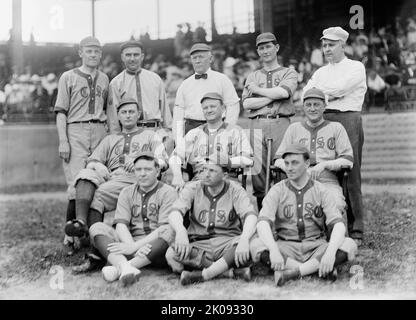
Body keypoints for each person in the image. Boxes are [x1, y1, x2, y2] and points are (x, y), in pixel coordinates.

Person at [250, 144, 357, 286]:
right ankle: (316, 269)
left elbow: (337, 224)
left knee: (349, 244)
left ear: (307, 164)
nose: (289, 168)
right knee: (256, 244)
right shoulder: (277, 190)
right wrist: (274, 250)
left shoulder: (321, 190)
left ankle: (292, 273)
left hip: (316, 247)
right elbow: (262, 223)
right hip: (285, 246)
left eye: (295, 163)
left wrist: (330, 253)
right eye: (287, 163)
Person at [64, 98, 168, 240]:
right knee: (85, 173)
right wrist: (97, 165)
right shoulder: (110, 139)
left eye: (131, 112)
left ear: (138, 114)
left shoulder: (150, 135)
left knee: (96, 195)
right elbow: (92, 161)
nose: (128, 115)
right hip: (112, 177)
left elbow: (163, 161)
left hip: (136, 176)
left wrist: (140, 162)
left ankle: (94, 243)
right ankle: (81, 222)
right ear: (118, 116)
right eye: (124, 112)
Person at [303, 27, 367, 245]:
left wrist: (322, 93)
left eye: (331, 45)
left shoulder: (356, 67)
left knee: (350, 170)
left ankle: (355, 227)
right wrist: (325, 94)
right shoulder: (321, 71)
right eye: (324, 45)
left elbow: (341, 89)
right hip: (325, 119)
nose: (326, 49)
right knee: (327, 169)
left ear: (343, 45)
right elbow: (306, 93)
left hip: (348, 118)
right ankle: (329, 224)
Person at [54, 36, 113, 248]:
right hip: (75, 128)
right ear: (80, 53)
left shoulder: (105, 79)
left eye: (97, 51)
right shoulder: (67, 77)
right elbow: (61, 112)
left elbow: (108, 110)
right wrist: (63, 140)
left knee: (97, 181)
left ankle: (91, 231)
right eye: (89, 51)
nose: (93, 55)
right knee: (75, 183)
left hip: (99, 129)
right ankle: (71, 233)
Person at [165, 154, 258, 285]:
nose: (206, 174)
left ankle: (205, 274)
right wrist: (181, 231)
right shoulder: (193, 187)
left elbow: (251, 216)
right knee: (171, 254)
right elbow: (175, 212)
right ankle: (228, 272)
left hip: (228, 243)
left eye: (212, 170)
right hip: (199, 244)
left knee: (252, 243)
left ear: (225, 175)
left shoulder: (235, 189)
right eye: (203, 169)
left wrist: (244, 240)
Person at [87, 152, 177, 286]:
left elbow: (162, 229)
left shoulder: (168, 192)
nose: (142, 173)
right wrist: (130, 246)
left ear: (157, 171)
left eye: (148, 169)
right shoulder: (127, 192)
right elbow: (121, 225)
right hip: (131, 245)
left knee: (169, 230)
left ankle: (121, 268)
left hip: (155, 248)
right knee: (96, 227)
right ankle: (125, 267)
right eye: (138, 169)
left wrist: (134, 247)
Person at [273, 87, 353, 216]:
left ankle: (332, 235)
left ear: (324, 106)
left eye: (317, 105)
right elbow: (278, 160)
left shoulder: (336, 128)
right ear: (303, 107)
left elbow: (348, 161)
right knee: (281, 204)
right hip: (296, 181)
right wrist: (297, 170)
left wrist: (324, 165)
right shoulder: (294, 129)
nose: (312, 108)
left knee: (336, 204)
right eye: (308, 105)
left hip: (327, 180)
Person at [242, 32, 298, 211]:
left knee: (283, 166)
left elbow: (284, 93)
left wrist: (258, 90)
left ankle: (283, 215)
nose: (265, 51)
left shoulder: (288, 72)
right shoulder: (253, 75)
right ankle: (262, 216)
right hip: (257, 124)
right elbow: (247, 103)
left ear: (277, 48)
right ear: (258, 51)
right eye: (261, 48)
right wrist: (271, 98)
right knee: (258, 172)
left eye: (268, 46)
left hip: (280, 122)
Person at [169, 92, 253, 189]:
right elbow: (175, 156)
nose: (209, 110)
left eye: (213, 106)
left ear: (223, 108)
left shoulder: (235, 131)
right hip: (199, 179)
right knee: (184, 196)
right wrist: (177, 176)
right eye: (205, 108)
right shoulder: (195, 133)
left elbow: (248, 160)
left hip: (227, 179)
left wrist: (227, 161)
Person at [107, 40, 173, 153]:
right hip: (130, 132)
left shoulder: (155, 79)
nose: (132, 58)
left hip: (155, 131)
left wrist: (169, 133)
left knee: (157, 166)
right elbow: (113, 117)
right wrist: (117, 140)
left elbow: (165, 110)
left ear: (142, 56)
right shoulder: (116, 83)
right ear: (122, 57)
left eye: (136, 54)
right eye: (128, 55)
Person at [172, 43, 240, 142]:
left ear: (211, 59)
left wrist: (227, 131)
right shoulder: (185, 84)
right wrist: (178, 138)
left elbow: (233, 105)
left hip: (217, 128)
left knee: (217, 157)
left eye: (201, 57)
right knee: (192, 157)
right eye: (194, 58)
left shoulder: (222, 79)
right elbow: (178, 113)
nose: (197, 61)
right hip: (191, 129)